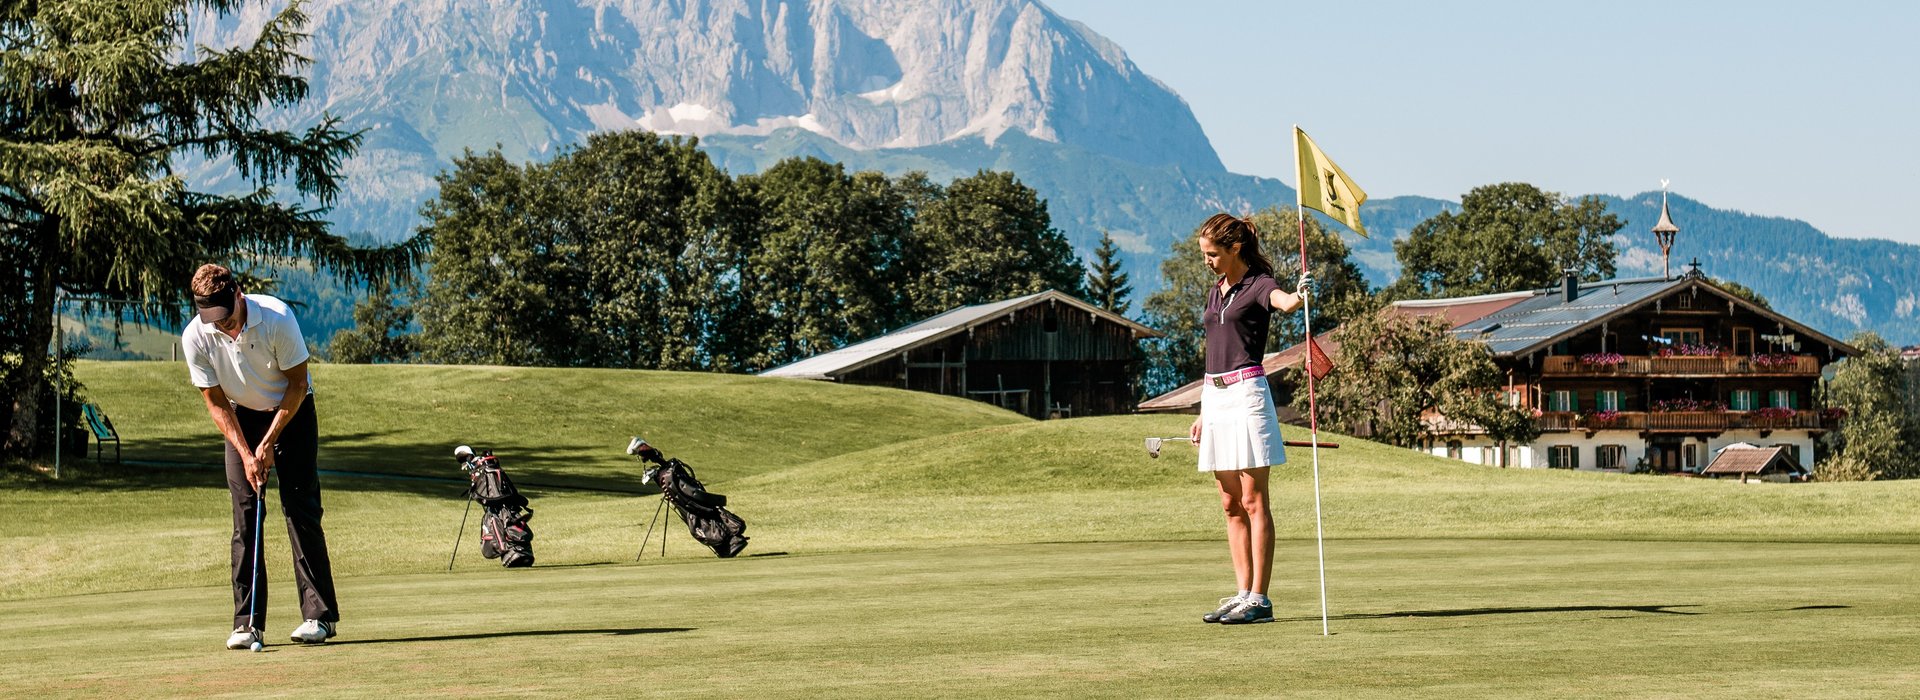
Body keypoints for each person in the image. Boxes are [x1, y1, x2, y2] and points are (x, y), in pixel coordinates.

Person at [180, 264, 340, 649]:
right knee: (246, 515)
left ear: (239, 293)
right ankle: (247, 623)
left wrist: (269, 443)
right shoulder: (196, 336)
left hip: (292, 410)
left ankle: (319, 617)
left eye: (228, 318)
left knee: (300, 509)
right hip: (240, 417)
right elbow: (216, 403)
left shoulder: (277, 318)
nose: (225, 328)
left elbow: (298, 384)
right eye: (214, 321)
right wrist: (246, 452)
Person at [1188, 213, 1309, 625]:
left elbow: (1284, 303)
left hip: (1248, 395)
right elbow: (1211, 357)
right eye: (1204, 254)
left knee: (1254, 500)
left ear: (1234, 248)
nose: (1206, 260)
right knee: (1229, 503)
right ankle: (1242, 593)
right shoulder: (1214, 292)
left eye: (1211, 254)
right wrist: (1204, 412)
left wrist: (1298, 296)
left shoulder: (1259, 284)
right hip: (1216, 396)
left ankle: (1260, 599)